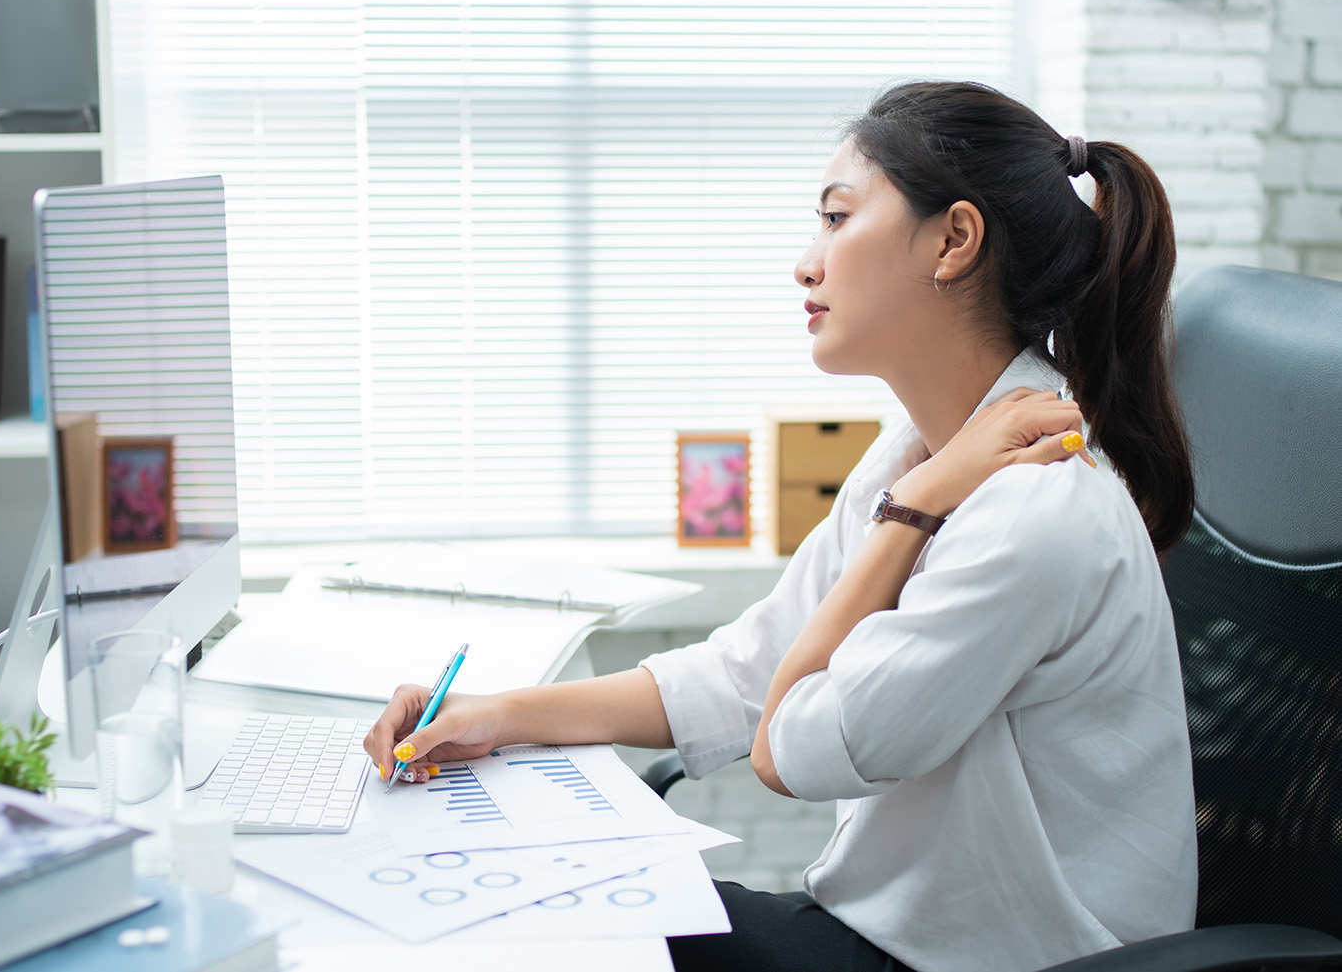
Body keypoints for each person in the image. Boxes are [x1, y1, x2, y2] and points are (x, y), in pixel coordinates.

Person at [365, 80, 1198, 972]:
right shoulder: (916, 455)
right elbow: (751, 669)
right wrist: (499, 716)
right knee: (558, 911)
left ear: (954, 240)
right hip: (900, 933)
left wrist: (911, 516)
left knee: (576, 935)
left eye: (838, 220)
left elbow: (789, 747)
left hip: (1003, 961)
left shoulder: (1033, 507)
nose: (807, 263)